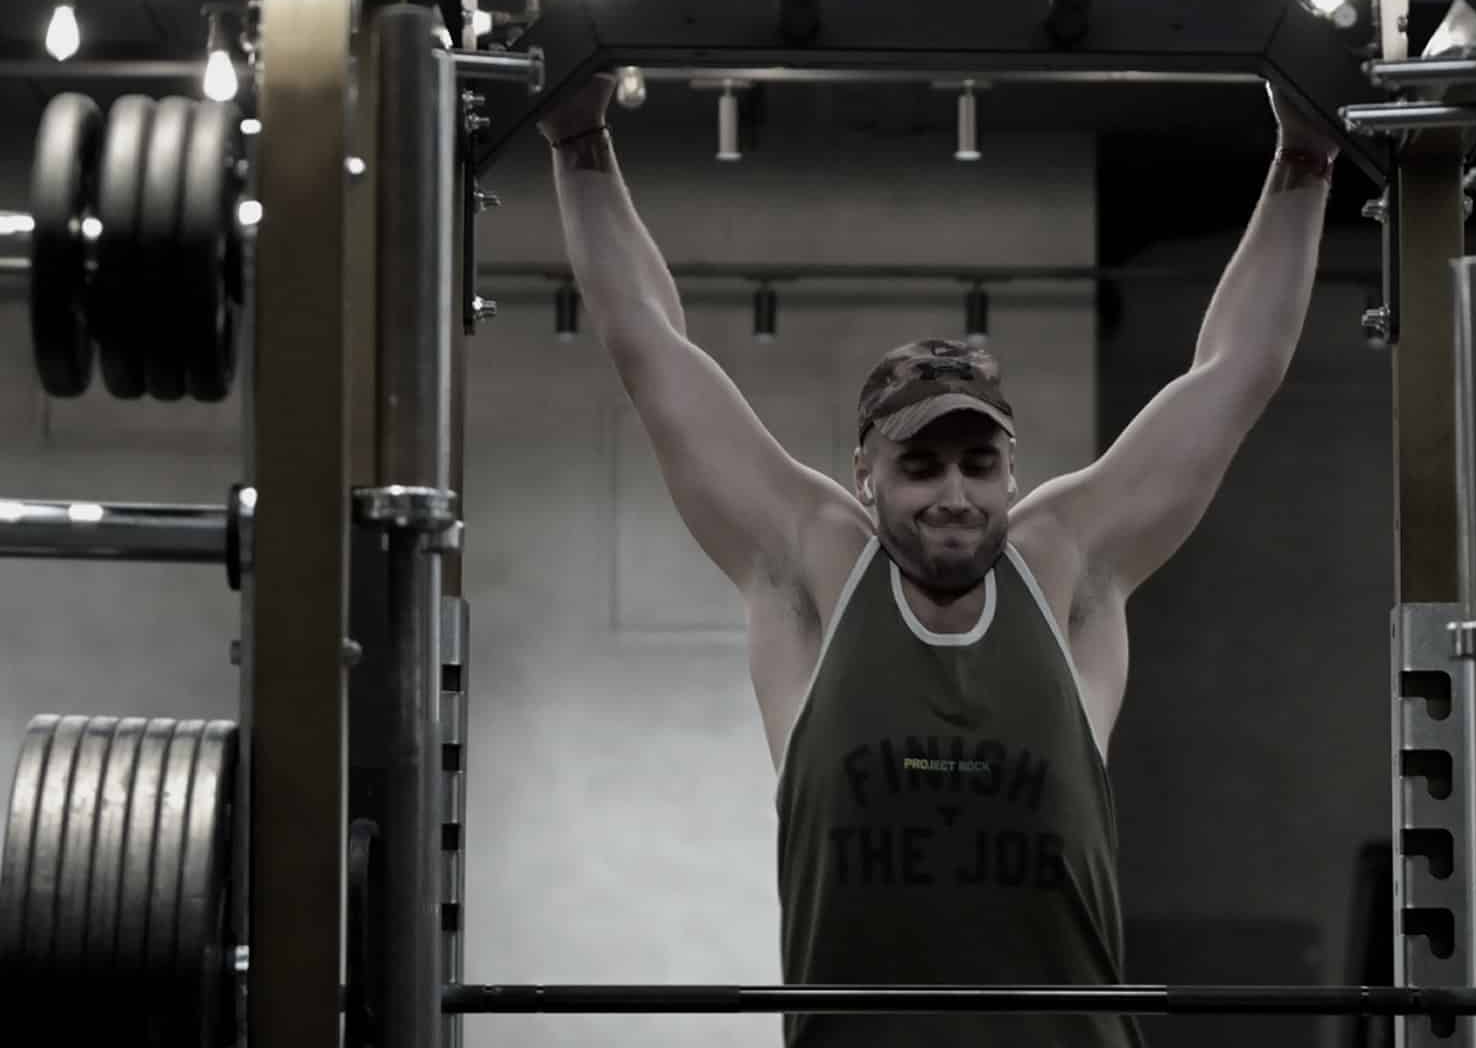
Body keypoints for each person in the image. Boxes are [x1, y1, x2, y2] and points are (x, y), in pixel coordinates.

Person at [539, 73, 1337, 1048]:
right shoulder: (814, 567)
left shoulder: (1065, 567)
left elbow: (1233, 374)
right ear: (865, 475)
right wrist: (578, 142)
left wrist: (1305, 159)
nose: (954, 494)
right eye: (920, 466)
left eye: (977, 464)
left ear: (1012, 470)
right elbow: (650, 350)